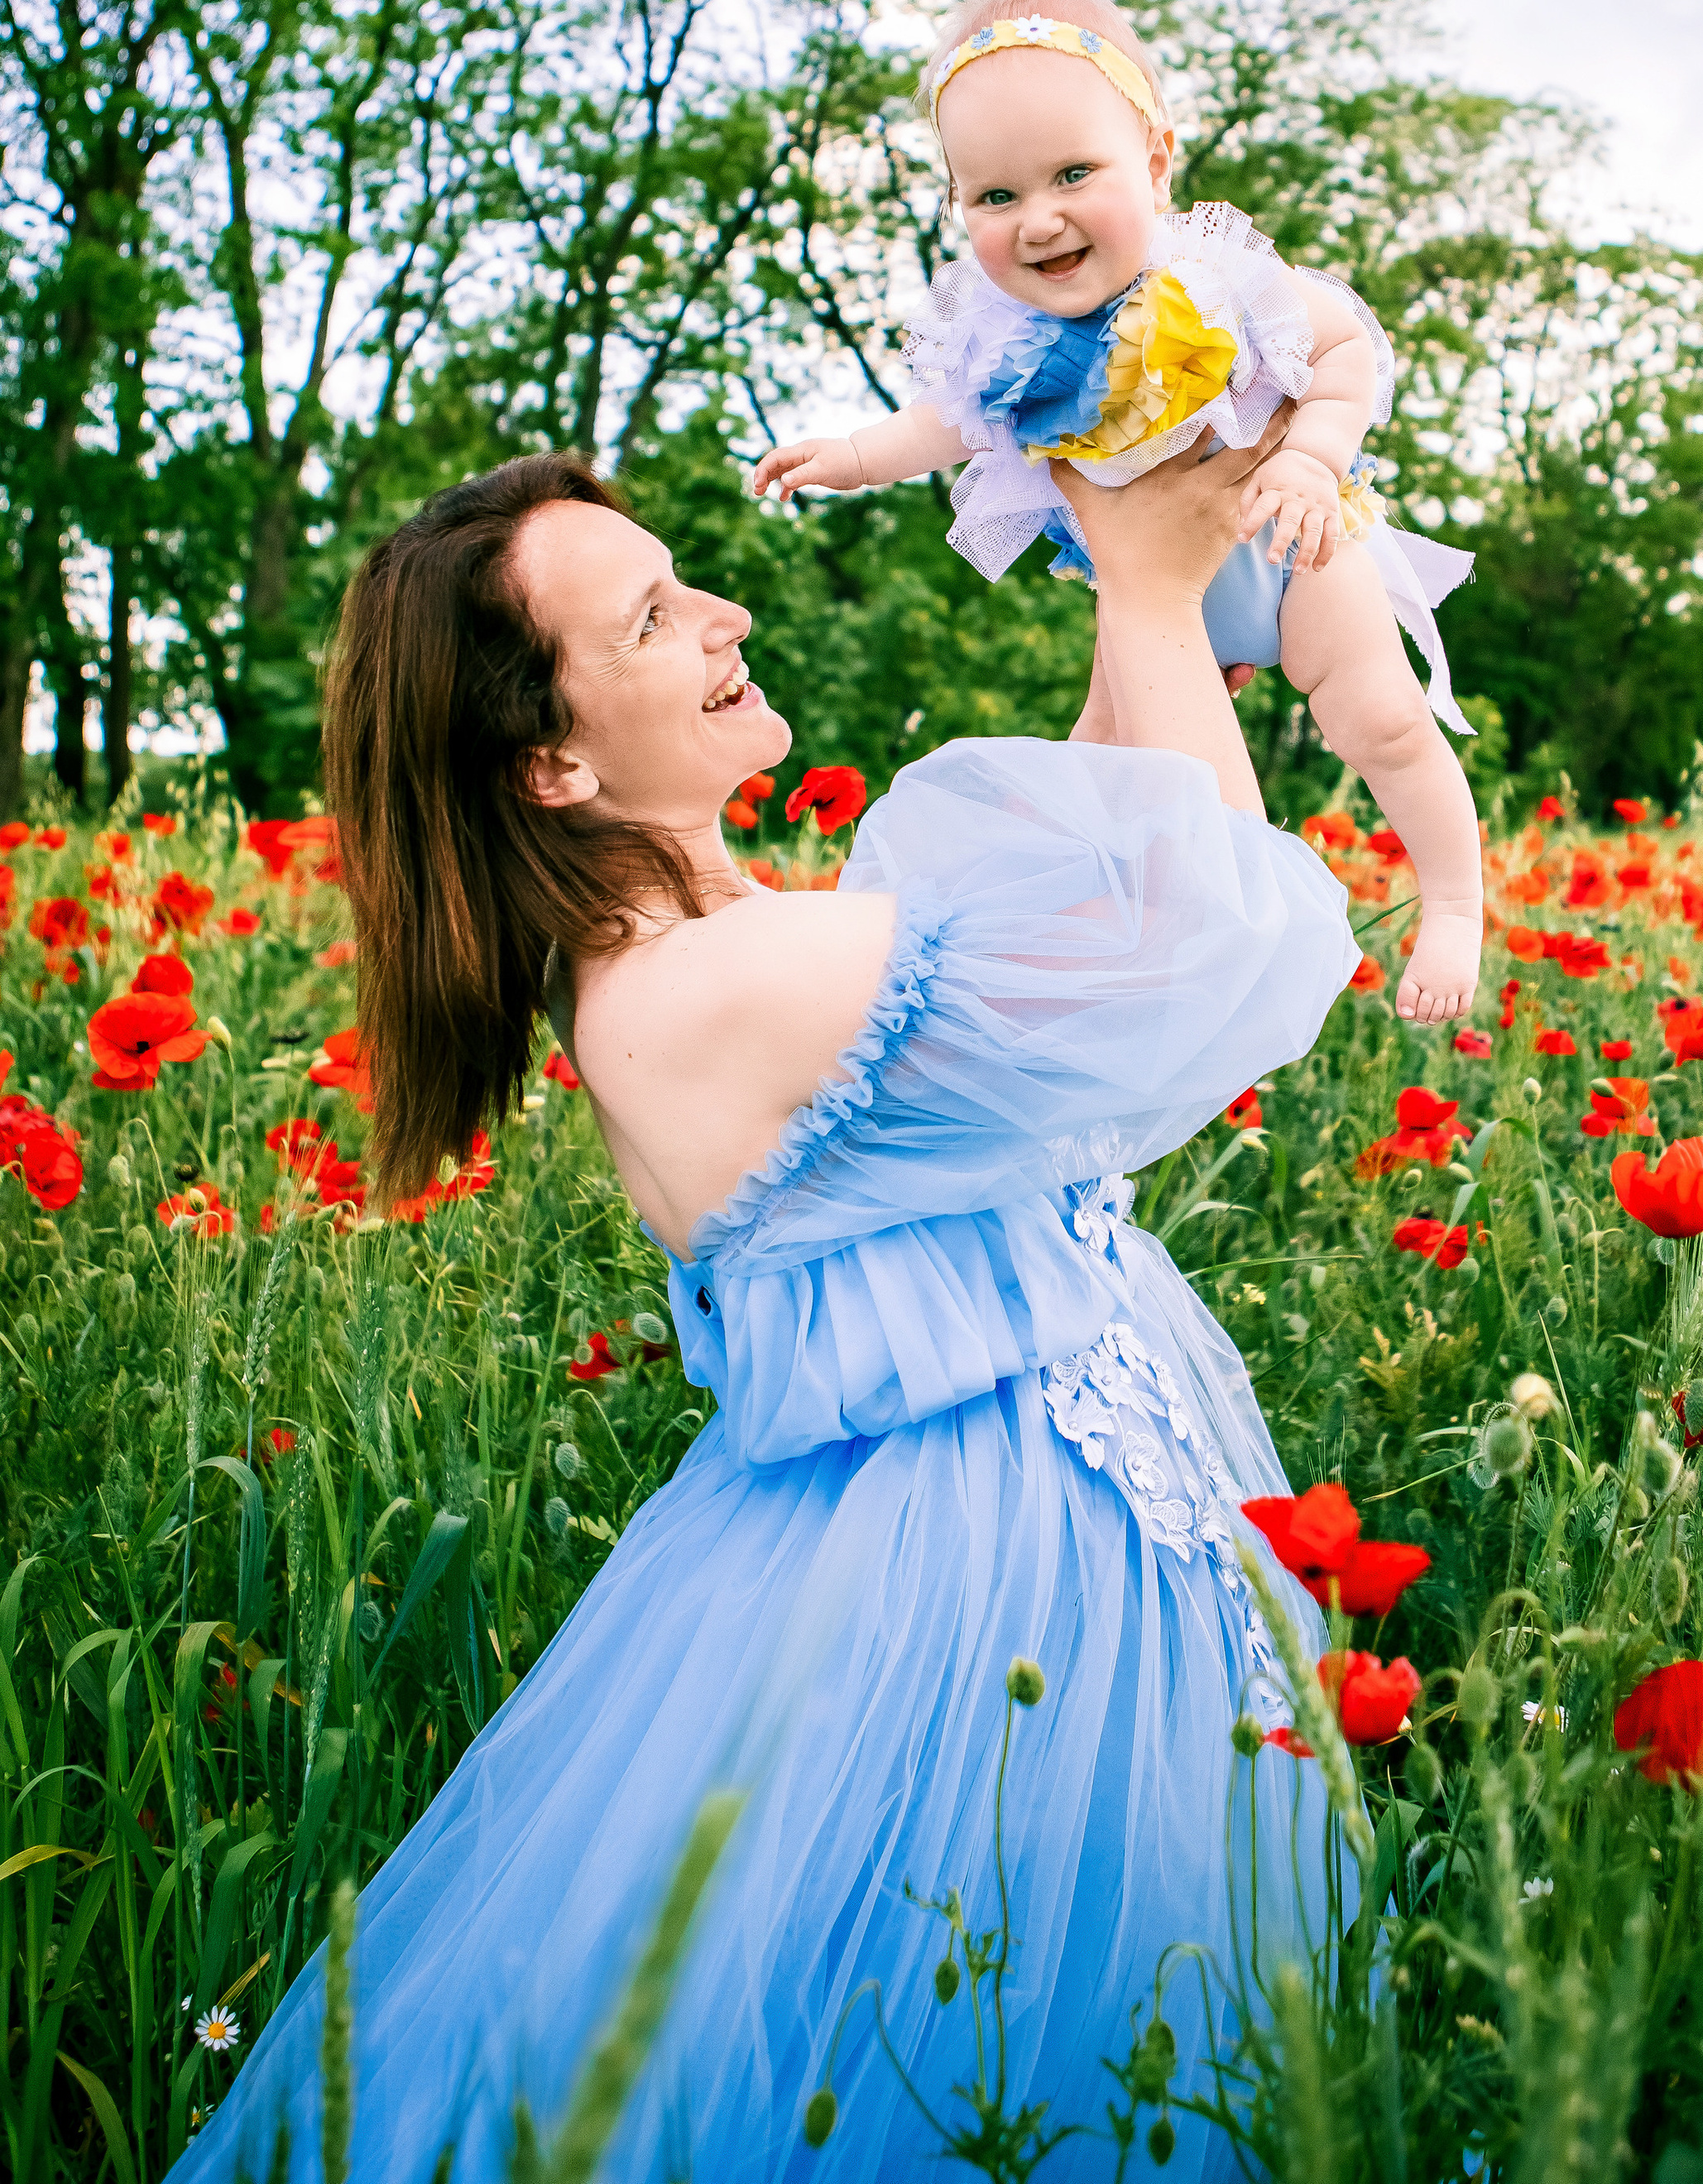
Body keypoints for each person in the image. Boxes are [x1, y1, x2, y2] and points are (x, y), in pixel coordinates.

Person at [185, 435, 1360, 2182]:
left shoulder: (724, 950)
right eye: (656, 615)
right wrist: (1148, 588)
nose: (726, 613)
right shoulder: (709, 988)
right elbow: (1220, 938)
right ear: (553, 760)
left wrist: (1140, 542)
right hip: (978, 1606)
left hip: (1032, 1538)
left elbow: (1110, 835)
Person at [752, 0, 1485, 1026]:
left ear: (1153, 161)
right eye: (994, 197)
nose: (1038, 220)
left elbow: (1345, 350)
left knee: (1381, 721)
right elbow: (941, 423)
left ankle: (1453, 900)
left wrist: (1313, 460)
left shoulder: (1221, 280)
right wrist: (851, 455)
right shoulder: (1001, 335)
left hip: (1291, 545)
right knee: (1098, 760)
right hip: (1146, 592)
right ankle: (1056, 952)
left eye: (1071, 175)